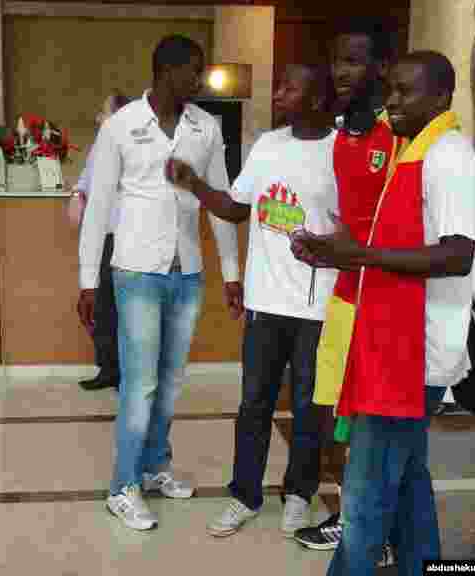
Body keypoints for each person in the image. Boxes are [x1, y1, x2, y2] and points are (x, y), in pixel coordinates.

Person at [293, 50, 475, 576]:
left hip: (410, 353)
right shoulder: (410, 149)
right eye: (391, 90)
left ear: (441, 98)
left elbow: (458, 253)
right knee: (408, 483)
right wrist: (335, 250)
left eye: (407, 92)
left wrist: (362, 256)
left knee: (366, 495)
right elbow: (386, 241)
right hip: (389, 340)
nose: (392, 102)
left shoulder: (448, 156)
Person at [78, 35, 241, 531]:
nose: (199, 79)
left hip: (186, 272)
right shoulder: (121, 127)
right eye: (193, 71)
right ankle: (122, 487)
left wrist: (231, 273)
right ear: (165, 71)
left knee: (169, 384)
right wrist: (87, 280)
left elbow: (220, 201)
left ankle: (153, 468)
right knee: (140, 384)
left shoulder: (205, 127)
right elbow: (98, 205)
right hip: (136, 272)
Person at [177, 64, 338, 538]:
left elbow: (354, 229)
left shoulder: (339, 151)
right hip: (266, 304)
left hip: (316, 306)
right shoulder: (268, 145)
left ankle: (299, 496)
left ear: (317, 98)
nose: (280, 93)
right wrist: (194, 183)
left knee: (310, 408)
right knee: (253, 405)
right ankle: (244, 495)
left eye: (291, 87)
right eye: (281, 85)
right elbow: (234, 207)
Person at [292, 22, 403, 569]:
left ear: (380, 68)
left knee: (374, 423)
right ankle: (354, 519)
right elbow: (350, 221)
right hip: (343, 295)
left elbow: (400, 229)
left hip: (383, 301)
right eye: (338, 60)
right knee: (335, 409)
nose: (342, 71)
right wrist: (320, 245)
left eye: (355, 61)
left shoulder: (396, 135)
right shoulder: (343, 136)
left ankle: (370, 528)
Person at [68, 90, 131, 392]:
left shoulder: (133, 147)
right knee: (103, 305)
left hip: (129, 236)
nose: (97, 117)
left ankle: (126, 372)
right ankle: (108, 368)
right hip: (104, 236)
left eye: (103, 111)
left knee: (127, 307)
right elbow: (84, 180)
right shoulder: (99, 146)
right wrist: (76, 195)